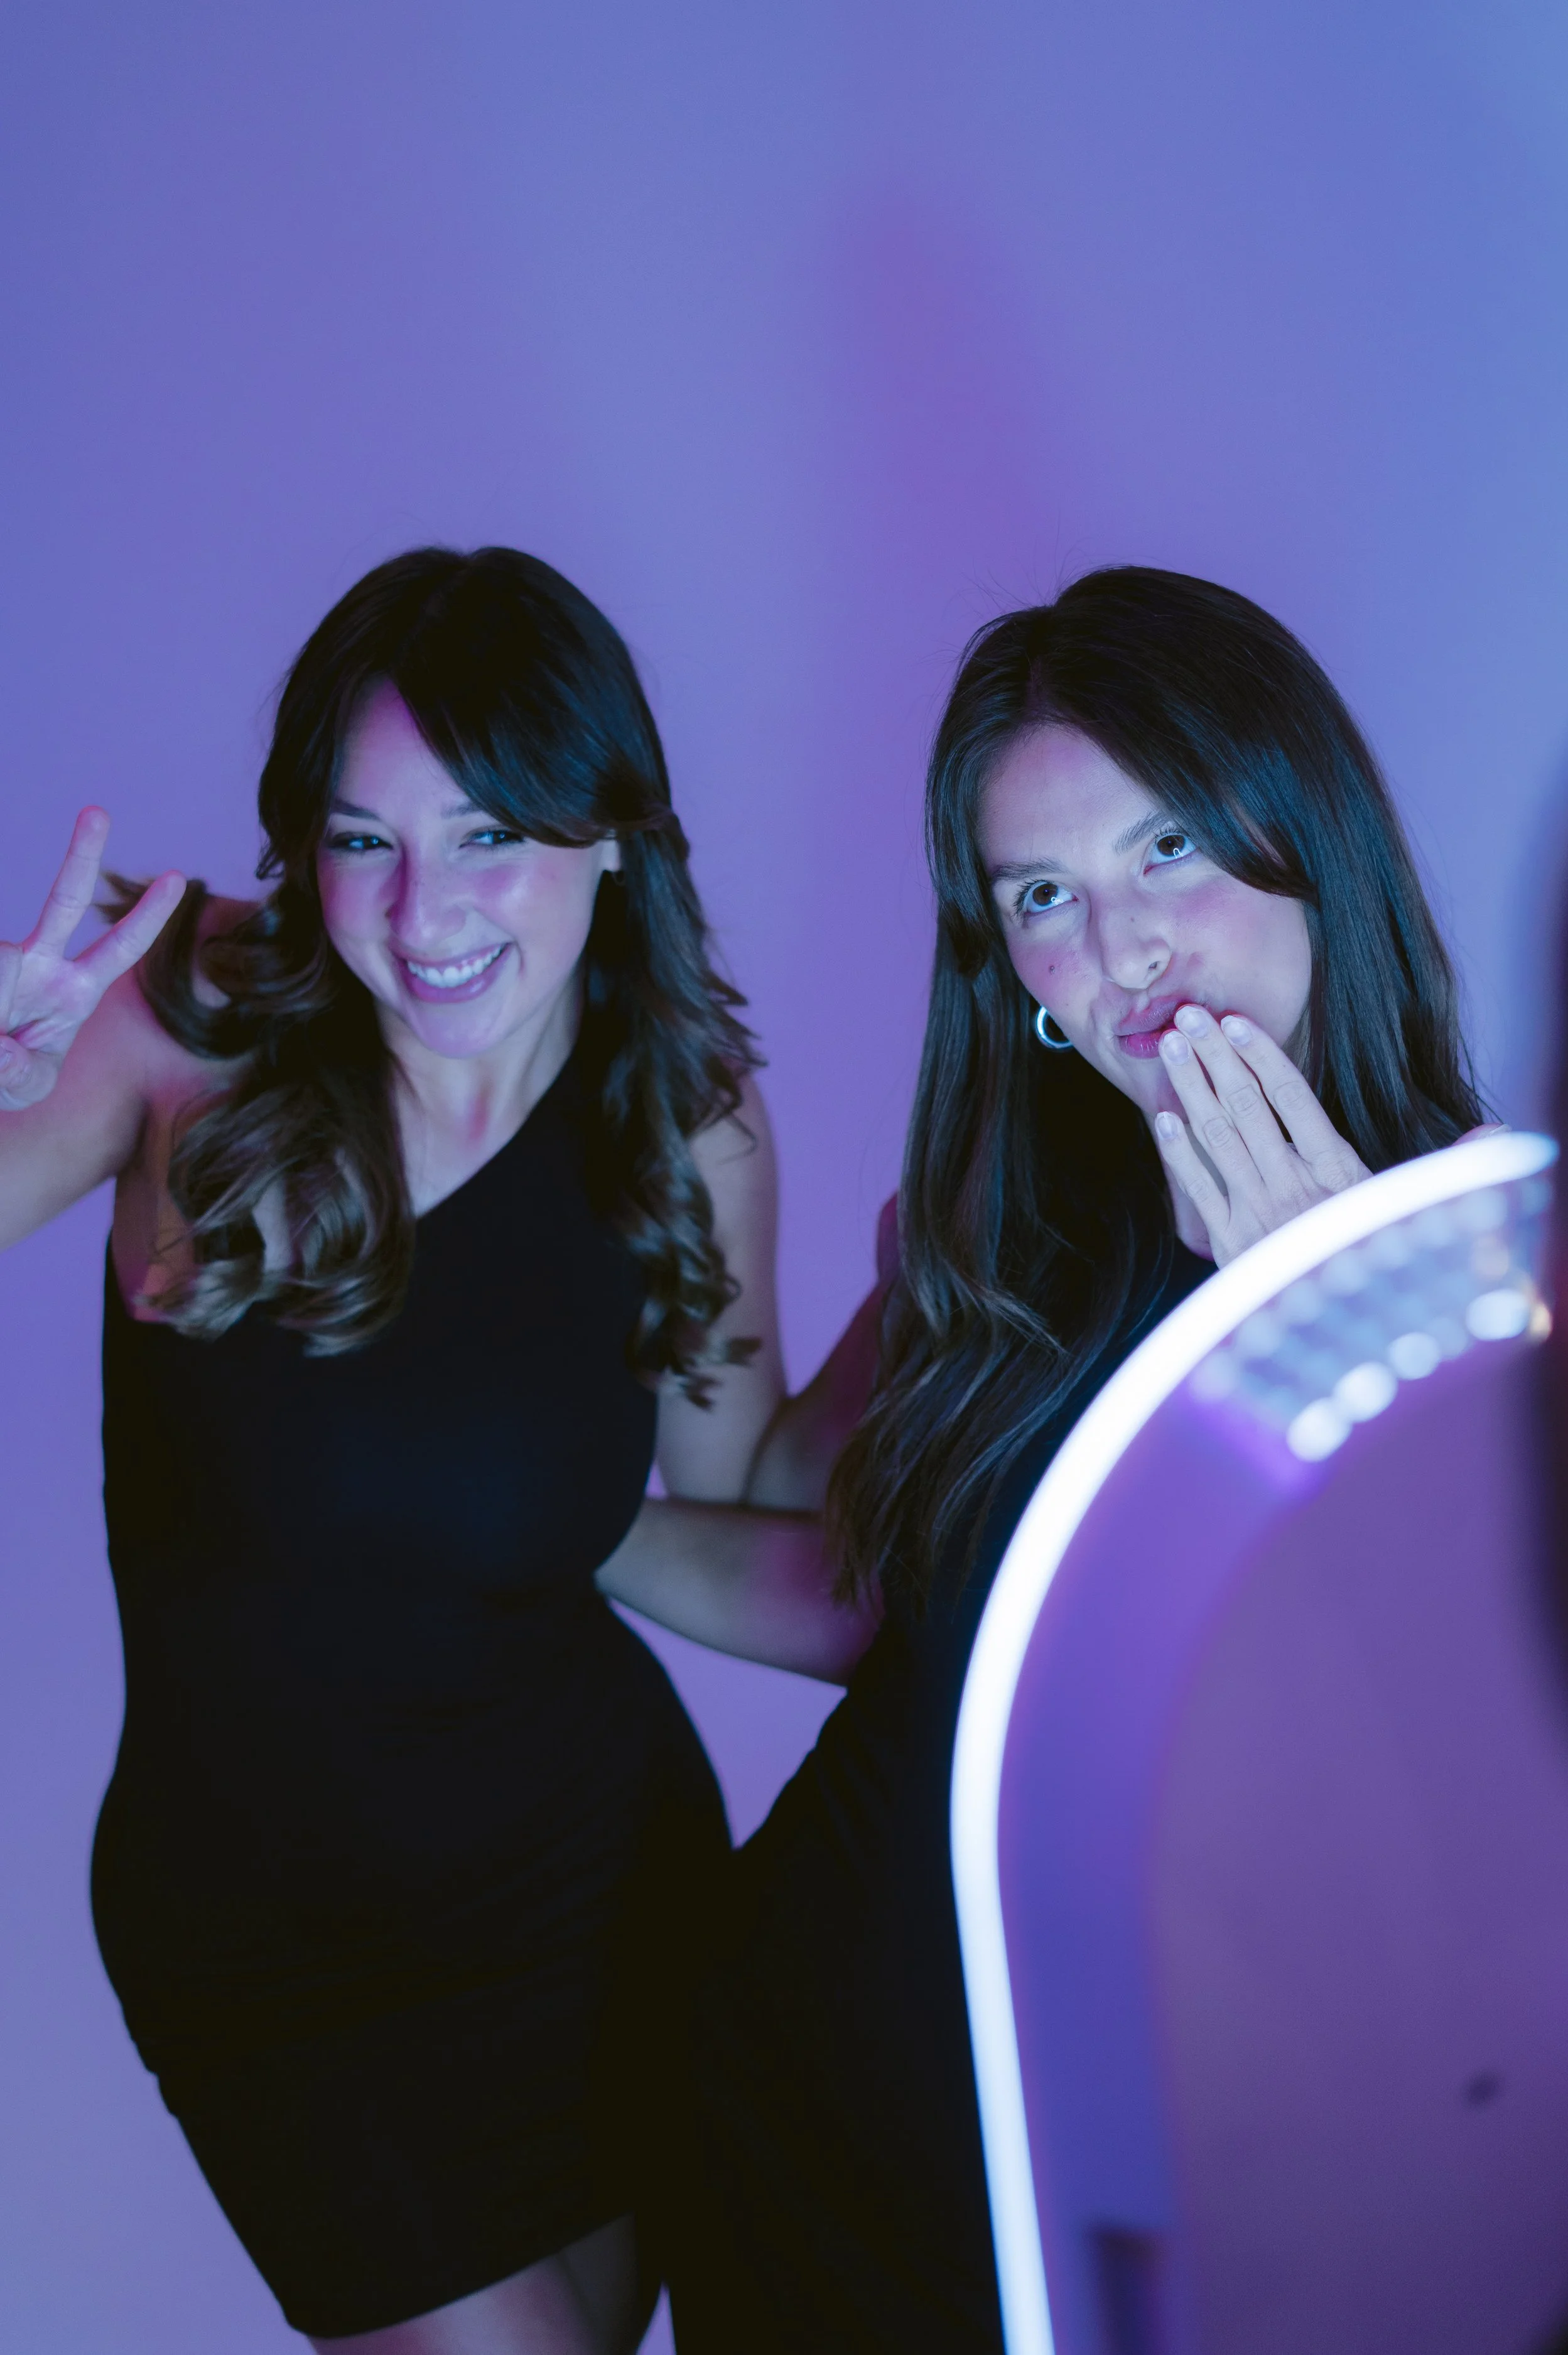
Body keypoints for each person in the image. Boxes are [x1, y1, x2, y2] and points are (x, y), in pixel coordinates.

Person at [0, 544, 872, 2355]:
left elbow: (736, 1506)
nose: (424, 910)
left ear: (611, 833)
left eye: (490, 834)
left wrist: (950, 1281)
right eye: (364, 839)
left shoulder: (680, 1122)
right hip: (265, 1946)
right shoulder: (196, 1012)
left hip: (592, 1894)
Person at [657, 566, 1488, 2354]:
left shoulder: (1497, 1274)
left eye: (1166, 848)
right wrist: (560, 1530)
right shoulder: (988, 1217)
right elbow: (864, 1582)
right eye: (1045, 893)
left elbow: (1462, 1836)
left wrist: (1335, 1319)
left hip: (1123, 2220)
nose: (1117, 951)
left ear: (1302, 827)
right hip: (797, 2116)